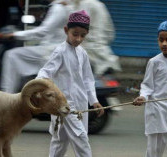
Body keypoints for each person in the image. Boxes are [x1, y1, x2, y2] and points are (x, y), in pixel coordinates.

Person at [36, 10, 104, 157]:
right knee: (81, 139)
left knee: (60, 141)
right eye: (75, 34)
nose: (78, 39)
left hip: (80, 104)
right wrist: (40, 86)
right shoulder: (59, 52)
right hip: (64, 105)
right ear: (66, 30)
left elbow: (88, 79)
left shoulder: (82, 53)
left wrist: (94, 101)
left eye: (83, 35)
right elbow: (44, 72)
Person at [0, 0, 71, 93]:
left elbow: (43, 31)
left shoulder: (58, 8)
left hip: (51, 51)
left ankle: (7, 97)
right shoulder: (59, 6)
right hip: (52, 49)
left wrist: (14, 35)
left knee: (11, 55)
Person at [133, 21, 167, 157]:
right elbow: (147, 85)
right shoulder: (154, 62)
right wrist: (143, 97)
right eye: (161, 40)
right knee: (154, 151)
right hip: (157, 110)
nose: (164, 44)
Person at [69, 0, 121, 75]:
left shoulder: (85, 4)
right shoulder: (100, 5)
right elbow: (110, 33)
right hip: (105, 55)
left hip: (90, 54)